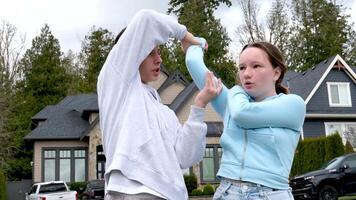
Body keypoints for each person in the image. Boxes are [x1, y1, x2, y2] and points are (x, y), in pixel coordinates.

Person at [97, 10, 222, 200]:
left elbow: (186, 157)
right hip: (135, 192)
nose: (159, 59)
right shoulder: (116, 84)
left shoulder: (164, 112)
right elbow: (146, 19)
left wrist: (199, 105)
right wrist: (186, 37)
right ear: (130, 54)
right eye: (150, 53)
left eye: (159, 52)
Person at [185, 40, 306, 199]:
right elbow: (192, 62)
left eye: (256, 66)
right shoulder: (232, 103)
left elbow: (242, 114)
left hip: (270, 193)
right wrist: (198, 42)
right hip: (227, 192)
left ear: (276, 73)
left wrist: (236, 90)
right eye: (242, 67)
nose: (247, 74)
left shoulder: (293, 105)